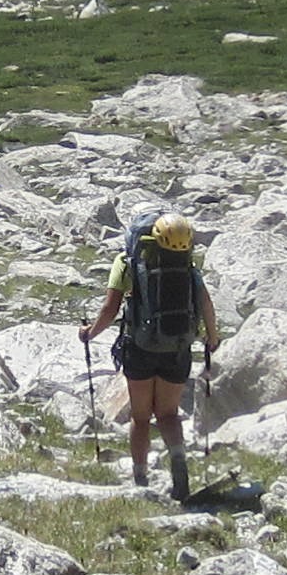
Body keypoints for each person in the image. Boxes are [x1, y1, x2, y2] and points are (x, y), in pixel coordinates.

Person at [80, 212, 219, 498]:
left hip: (140, 349)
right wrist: (212, 337)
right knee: (168, 414)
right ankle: (178, 461)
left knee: (141, 417)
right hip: (177, 349)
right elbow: (206, 303)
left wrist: (89, 333)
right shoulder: (187, 266)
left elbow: (110, 308)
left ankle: (140, 478)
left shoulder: (126, 262)